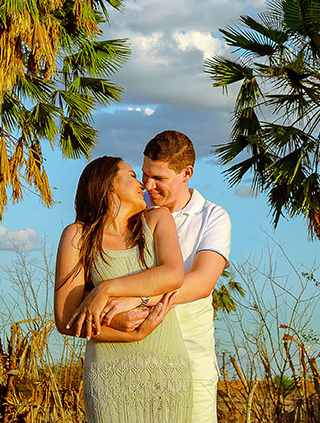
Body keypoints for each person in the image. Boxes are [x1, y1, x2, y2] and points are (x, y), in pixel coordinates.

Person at [103, 131, 231, 423]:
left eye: (159, 178)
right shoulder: (132, 210)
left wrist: (136, 299)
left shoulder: (213, 217)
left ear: (187, 173)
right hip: (132, 359)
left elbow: (201, 282)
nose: (148, 185)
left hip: (190, 360)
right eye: (145, 174)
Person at [54, 155, 193, 423]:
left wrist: (105, 289)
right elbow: (65, 319)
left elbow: (173, 274)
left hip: (167, 373)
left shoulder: (157, 220)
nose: (142, 184)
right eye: (131, 176)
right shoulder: (78, 236)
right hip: (109, 377)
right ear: (108, 186)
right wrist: (131, 335)